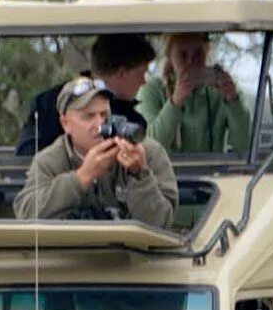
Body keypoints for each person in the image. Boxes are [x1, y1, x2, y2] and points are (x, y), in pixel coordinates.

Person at [13, 76, 178, 226]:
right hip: (72, 255)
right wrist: (80, 178)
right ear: (66, 124)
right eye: (89, 116)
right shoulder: (49, 160)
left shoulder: (148, 152)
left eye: (104, 115)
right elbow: (26, 213)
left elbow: (161, 224)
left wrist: (141, 175)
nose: (100, 125)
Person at [13, 34, 154, 158]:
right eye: (141, 74)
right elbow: (26, 157)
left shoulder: (132, 121)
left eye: (104, 115)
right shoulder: (49, 105)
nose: (143, 81)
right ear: (122, 73)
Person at [137, 32, 253, 155]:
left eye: (198, 54)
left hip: (212, 172)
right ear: (170, 56)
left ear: (207, 54)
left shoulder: (221, 90)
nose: (190, 61)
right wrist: (175, 102)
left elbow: (243, 146)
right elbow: (148, 146)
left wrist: (233, 101)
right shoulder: (151, 90)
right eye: (183, 55)